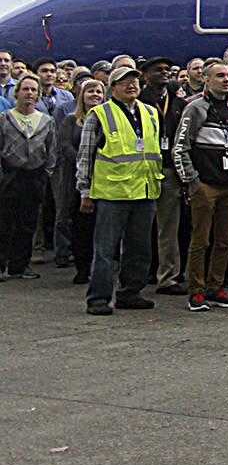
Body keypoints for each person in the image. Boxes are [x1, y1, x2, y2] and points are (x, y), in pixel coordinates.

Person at [75, 66, 162, 314]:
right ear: (112, 88)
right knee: (104, 250)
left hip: (145, 191)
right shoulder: (99, 114)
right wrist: (84, 191)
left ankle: (130, 293)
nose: (132, 85)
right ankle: (98, 298)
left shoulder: (150, 112)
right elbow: (85, 155)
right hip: (112, 193)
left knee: (139, 249)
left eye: (135, 81)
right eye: (124, 82)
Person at [171, 61, 228, 310]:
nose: (226, 80)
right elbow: (180, 147)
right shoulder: (195, 108)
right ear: (206, 80)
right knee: (200, 240)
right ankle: (196, 290)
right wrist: (192, 180)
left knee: (224, 240)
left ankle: (216, 286)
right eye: (220, 76)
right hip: (205, 184)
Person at [139, 57, 189, 295]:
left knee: (169, 227)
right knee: (139, 225)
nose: (164, 73)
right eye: (158, 70)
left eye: (167, 69)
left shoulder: (178, 103)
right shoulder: (138, 102)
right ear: (145, 75)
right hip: (141, 170)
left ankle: (168, 277)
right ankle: (139, 273)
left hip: (169, 169)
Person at [0, 76, 56, 280]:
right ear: (17, 93)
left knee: (28, 223)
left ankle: (20, 265)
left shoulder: (46, 121)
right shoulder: (5, 118)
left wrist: (46, 175)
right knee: (4, 222)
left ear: (38, 95)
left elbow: (52, 151)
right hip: (9, 175)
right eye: (25, 89)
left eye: (33, 90)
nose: (29, 93)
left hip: (35, 177)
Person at [57, 78, 105, 285]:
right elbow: (64, 145)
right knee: (80, 224)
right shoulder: (71, 120)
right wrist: (84, 160)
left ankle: (98, 266)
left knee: (99, 226)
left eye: (99, 92)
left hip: (103, 178)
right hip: (76, 177)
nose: (95, 95)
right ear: (81, 96)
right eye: (90, 91)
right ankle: (82, 267)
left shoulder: (108, 120)